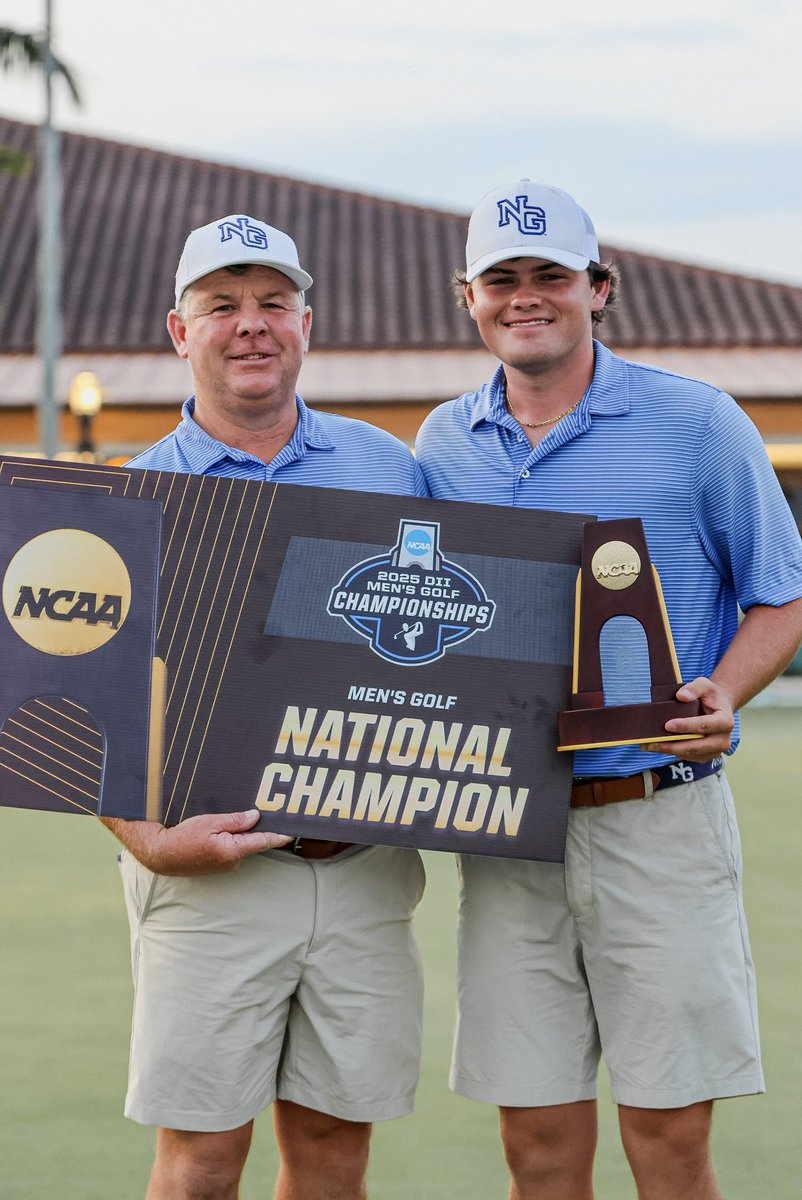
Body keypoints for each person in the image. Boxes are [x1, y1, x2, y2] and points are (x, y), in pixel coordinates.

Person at [415, 179, 802, 1200]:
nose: (526, 296)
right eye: (503, 279)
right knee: (536, 1145)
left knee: (668, 1139)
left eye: (551, 275)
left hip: (656, 820)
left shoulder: (696, 422)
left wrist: (722, 693)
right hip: (509, 829)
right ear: (467, 296)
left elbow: (784, 593)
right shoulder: (440, 442)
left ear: (600, 287)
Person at [102, 213, 428, 1200]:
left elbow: (439, 656)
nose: (251, 326)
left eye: (272, 305)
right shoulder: (130, 496)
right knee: (201, 1156)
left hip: (364, 871)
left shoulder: (390, 469)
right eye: (222, 307)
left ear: (306, 326)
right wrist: (147, 841)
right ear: (178, 331)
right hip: (208, 873)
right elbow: (79, 705)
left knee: (334, 1147)